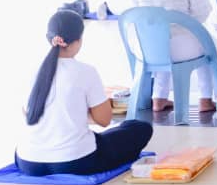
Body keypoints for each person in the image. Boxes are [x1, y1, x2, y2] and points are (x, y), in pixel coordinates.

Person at [15, 9, 153, 176]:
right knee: (140, 128)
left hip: (28, 161)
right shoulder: (85, 71)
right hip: (77, 162)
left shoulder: (30, 70)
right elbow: (104, 120)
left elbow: (28, 113)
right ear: (79, 40)